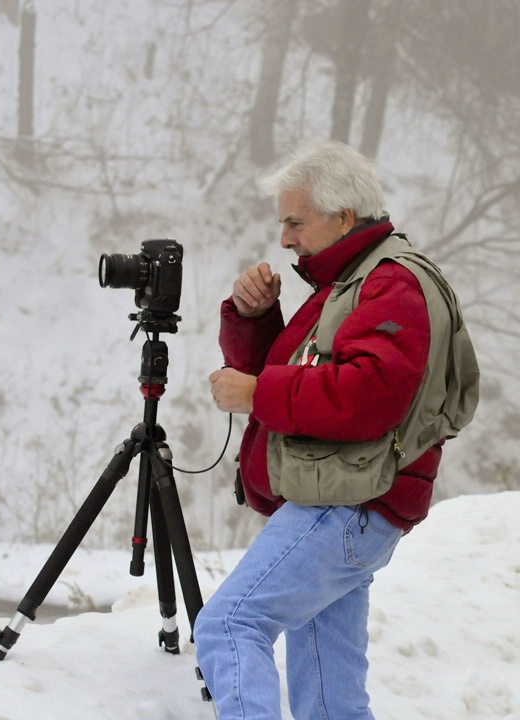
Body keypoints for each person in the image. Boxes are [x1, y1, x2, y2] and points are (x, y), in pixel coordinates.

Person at [194, 140, 479, 719]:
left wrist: (256, 393)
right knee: (330, 690)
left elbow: (369, 396)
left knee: (230, 623)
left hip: (347, 501)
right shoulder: (353, 284)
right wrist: (254, 319)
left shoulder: (390, 284)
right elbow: (303, 373)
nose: (285, 239)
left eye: (295, 221)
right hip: (355, 501)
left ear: (343, 216)